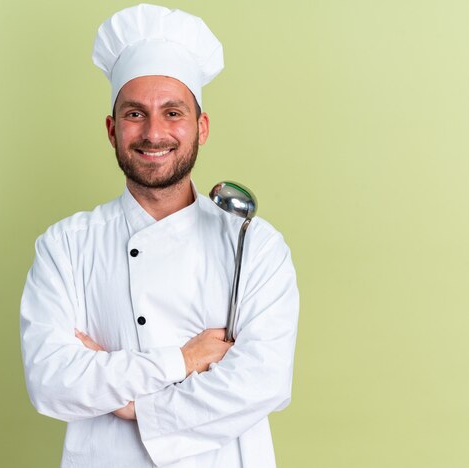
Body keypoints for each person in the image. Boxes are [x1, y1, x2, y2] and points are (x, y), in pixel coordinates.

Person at [20, 4, 299, 467]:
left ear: (200, 128)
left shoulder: (255, 244)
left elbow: (262, 382)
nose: (154, 133)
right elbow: (50, 381)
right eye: (135, 113)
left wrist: (134, 407)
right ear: (112, 130)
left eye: (173, 112)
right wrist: (184, 361)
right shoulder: (65, 245)